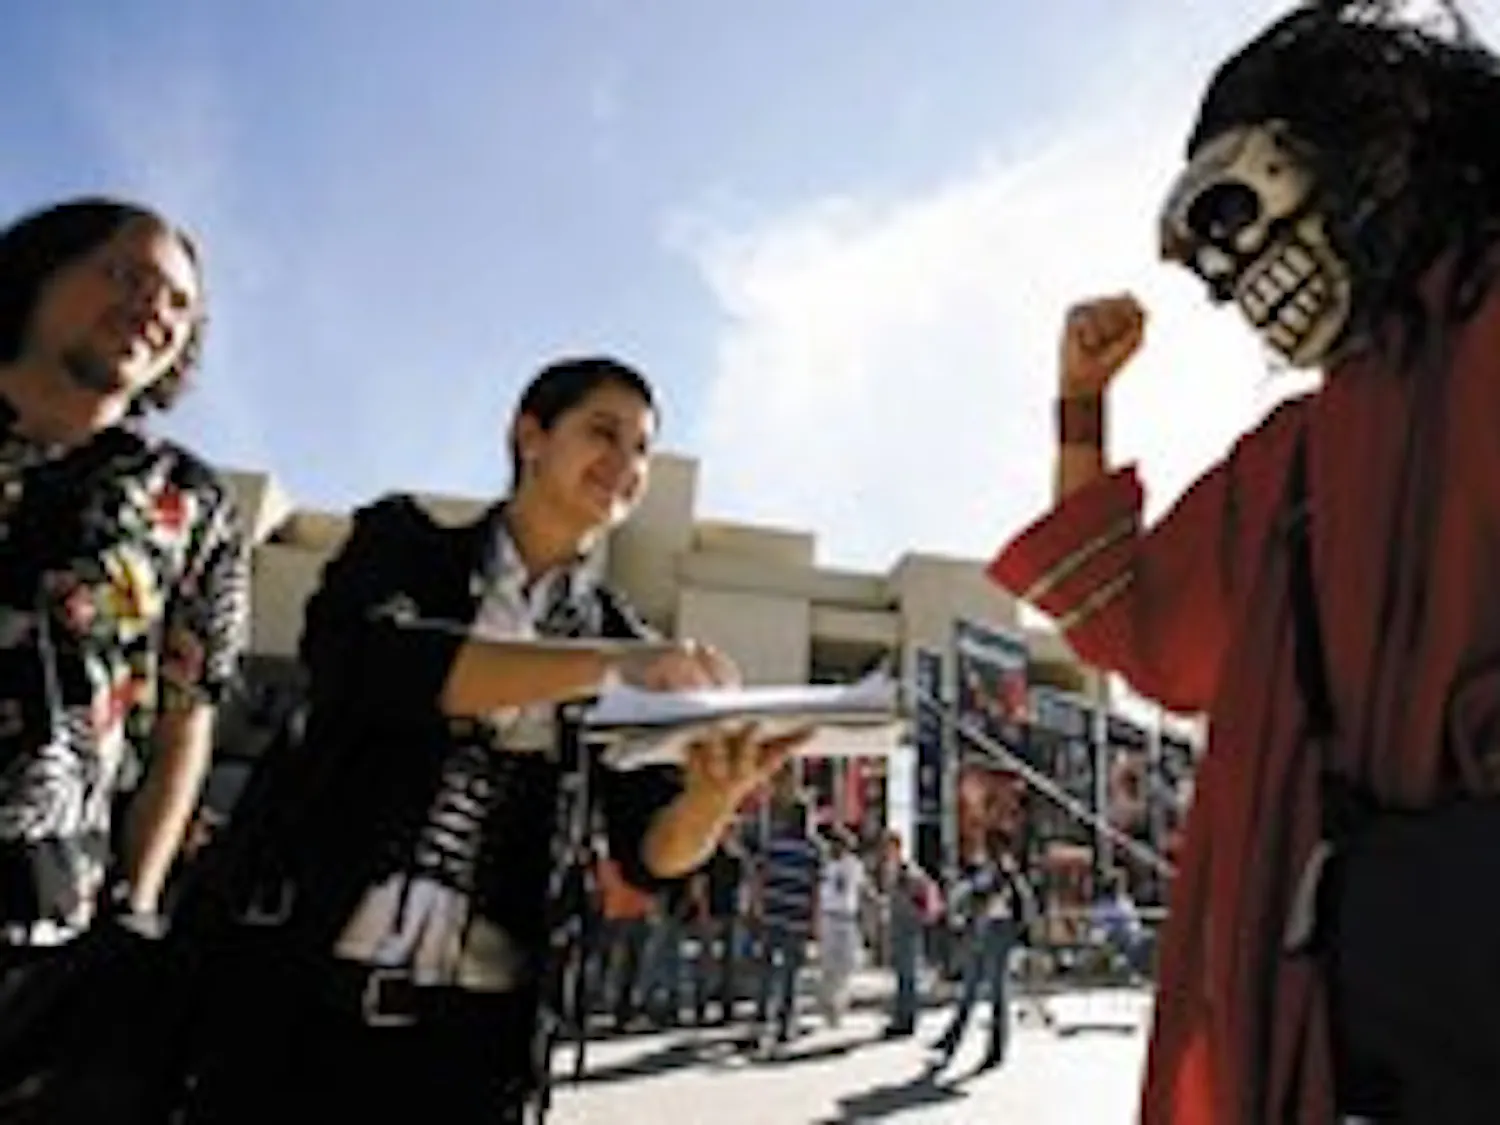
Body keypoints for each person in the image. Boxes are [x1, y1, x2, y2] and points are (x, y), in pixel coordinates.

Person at [988, 3, 1500, 1120]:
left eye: (1228, 210)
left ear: (1373, 132)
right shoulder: (1298, 460)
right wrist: (1080, 409)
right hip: (1405, 1029)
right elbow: (1147, 636)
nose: (1227, 279)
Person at [180, 356, 804, 1124]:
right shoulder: (404, 542)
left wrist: (714, 796)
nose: (626, 464)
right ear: (530, 434)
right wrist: (611, 666)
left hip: (473, 1050)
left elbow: (652, 850)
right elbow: (373, 666)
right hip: (295, 1008)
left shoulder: (625, 639)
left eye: (642, 448)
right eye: (602, 432)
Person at [0, 197, 249, 1120]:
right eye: (124, 273)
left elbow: (189, 714)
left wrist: (137, 902)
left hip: (48, 936)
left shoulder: (191, 503)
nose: (153, 306)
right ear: (39, 271)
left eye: (177, 304)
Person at [927, 850, 1034, 1074]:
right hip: (983, 932)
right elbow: (974, 899)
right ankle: (951, 1040)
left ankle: (994, 1049)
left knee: (996, 993)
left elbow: (1014, 907)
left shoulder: (1007, 877)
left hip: (999, 932)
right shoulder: (986, 875)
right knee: (970, 989)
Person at [752, 798, 821, 1050]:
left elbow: (759, 876)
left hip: (773, 912)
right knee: (791, 972)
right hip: (797, 916)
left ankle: (762, 1017)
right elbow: (815, 890)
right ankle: (784, 1023)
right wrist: (815, 922)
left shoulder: (773, 844)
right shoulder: (814, 849)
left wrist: (758, 906)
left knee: (767, 968)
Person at [815, 825, 867, 1029]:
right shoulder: (825, 866)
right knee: (828, 965)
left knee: (847, 964)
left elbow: (861, 889)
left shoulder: (854, 865)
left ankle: (839, 1003)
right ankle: (828, 1005)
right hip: (829, 916)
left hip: (847, 917)